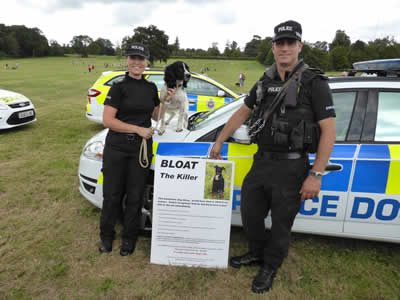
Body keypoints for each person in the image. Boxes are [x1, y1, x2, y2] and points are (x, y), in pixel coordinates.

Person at [210, 20, 336, 293]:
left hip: (292, 167)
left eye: (291, 43)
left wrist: (315, 175)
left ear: (300, 46)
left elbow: (329, 131)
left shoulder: (314, 82)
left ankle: (270, 266)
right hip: (262, 161)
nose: (285, 48)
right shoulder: (264, 81)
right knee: (250, 212)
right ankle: (256, 251)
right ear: (274, 47)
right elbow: (242, 112)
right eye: (280, 43)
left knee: (281, 222)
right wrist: (219, 139)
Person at [99, 43, 176, 256]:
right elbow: (108, 120)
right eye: (133, 58)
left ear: (146, 62)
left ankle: (129, 239)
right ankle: (106, 236)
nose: (136, 62)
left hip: (140, 150)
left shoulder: (150, 88)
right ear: (127, 60)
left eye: (141, 59)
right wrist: (138, 129)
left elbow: (156, 116)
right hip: (117, 146)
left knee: (135, 195)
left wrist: (166, 102)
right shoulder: (118, 87)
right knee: (112, 195)